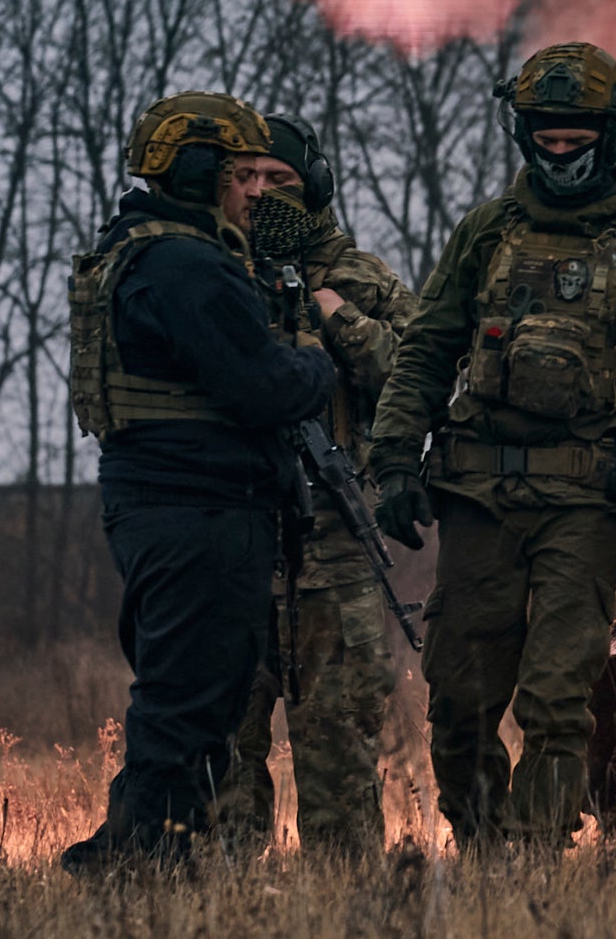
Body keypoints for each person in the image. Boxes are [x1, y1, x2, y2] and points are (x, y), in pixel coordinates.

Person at [364, 43, 616, 852]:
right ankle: (488, 847)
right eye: (546, 136)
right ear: (524, 133)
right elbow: (425, 349)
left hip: (586, 504)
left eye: (577, 137)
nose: (560, 153)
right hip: (477, 498)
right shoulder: (487, 233)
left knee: (559, 701)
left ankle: (530, 863)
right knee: (457, 700)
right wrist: (391, 458)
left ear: (611, 132)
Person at [61, 94, 338, 873]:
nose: (257, 191)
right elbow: (268, 386)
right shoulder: (187, 263)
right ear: (194, 175)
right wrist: (316, 358)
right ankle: (138, 865)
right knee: (187, 704)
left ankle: (164, 861)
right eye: (242, 174)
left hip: (172, 507)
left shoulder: (143, 249)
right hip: (198, 511)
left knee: (191, 697)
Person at [212, 114, 415, 856]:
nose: (262, 193)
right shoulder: (209, 274)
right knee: (223, 757)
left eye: (282, 180)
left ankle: (347, 906)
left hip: (332, 551)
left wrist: (336, 315)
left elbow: (415, 374)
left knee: (337, 754)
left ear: (315, 187)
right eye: (249, 177)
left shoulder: (357, 277)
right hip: (230, 542)